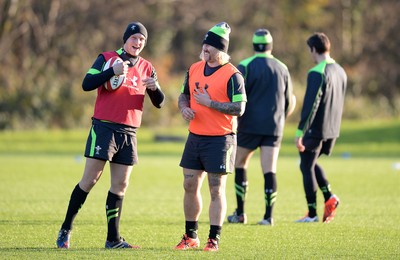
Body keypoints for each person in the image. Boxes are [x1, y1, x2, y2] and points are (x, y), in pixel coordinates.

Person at [56, 21, 165, 249]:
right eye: (134, 38)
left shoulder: (147, 66)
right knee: (90, 179)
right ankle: (66, 228)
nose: (138, 43)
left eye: (142, 40)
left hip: (129, 131)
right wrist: (110, 72)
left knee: (121, 184)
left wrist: (155, 88)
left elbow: (159, 103)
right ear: (125, 39)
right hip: (104, 127)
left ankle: (113, 239)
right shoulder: (106, 58)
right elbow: (87, 84)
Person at [174, 22, 247, 252]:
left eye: (211, 45)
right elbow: (183, 95)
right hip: (195, 136)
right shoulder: (194, 68)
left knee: (216, 189)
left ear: (221, 50)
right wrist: (184, 108)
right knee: (189, 184)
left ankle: (213, 239)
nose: (205, 48)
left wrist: (210, 104)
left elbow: (240, 108)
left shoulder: (233, 75)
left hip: (221, 138)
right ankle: (190, 235)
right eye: (205, 43)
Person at [227, 29, 295, 226]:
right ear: (270, 46)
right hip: (274, 127)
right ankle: (268, 216)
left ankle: (240, 213)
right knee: (269, 170)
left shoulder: (245, 66)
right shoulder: (282, 67)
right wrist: (280, 119)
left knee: (240, 164)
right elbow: (289, 102)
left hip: (248, 126)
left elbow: (235, 98)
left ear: (254, 45)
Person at [294, 32, 347, 223]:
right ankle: (329, 197)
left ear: (313, 49)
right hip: (332, 129)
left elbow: (311, 104)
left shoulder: (317, 72)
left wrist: (300, 131)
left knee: (306, 165)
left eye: (310, 51)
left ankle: (312, 213)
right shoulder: (340, 70)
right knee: (311, 162)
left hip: (317, 128)